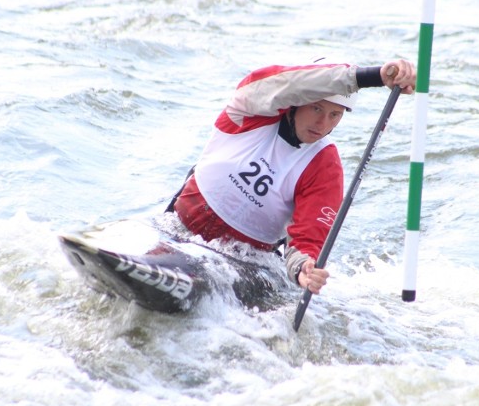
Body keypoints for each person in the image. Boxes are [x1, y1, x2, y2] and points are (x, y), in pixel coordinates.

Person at [169, 58, 416, 296]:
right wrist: (372, 77)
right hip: (178, 228)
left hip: (244, 263)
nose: (322, 123)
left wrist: (303, 268)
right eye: (316, 108)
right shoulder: (250, 108)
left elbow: (307, 239)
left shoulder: (324, 165)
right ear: (298, 101)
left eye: (334, 115)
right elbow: (291, 83)